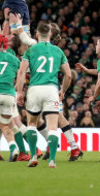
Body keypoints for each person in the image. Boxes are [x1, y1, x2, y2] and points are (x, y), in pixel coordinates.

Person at [16, 22, 72, 168]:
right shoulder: (58, 51)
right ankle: (52, 160)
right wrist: (63, 91)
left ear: (36, 35)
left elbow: (21, 72)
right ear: (51, 35)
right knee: (53, 127)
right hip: (51, 90)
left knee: (32, 124)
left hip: (34, 89)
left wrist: (20, 91)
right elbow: (69, 75)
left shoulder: (30, 50)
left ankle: (33, 156)